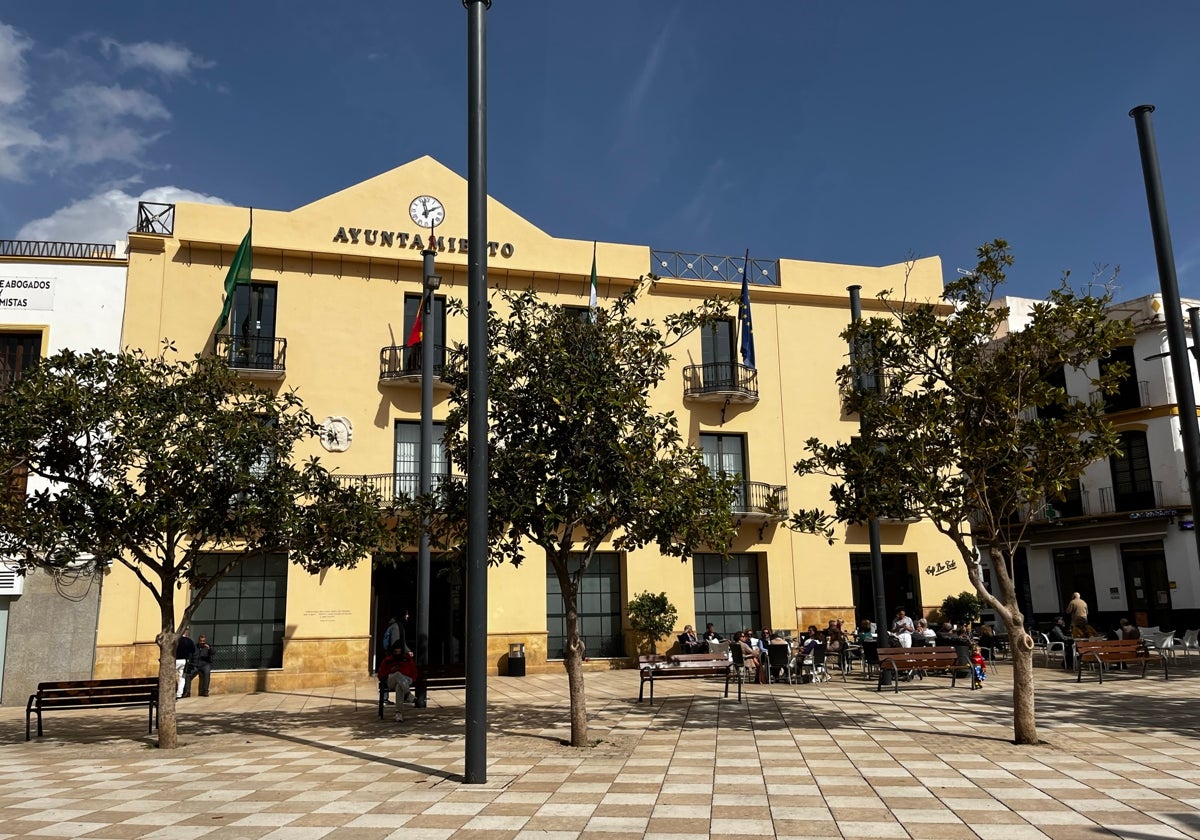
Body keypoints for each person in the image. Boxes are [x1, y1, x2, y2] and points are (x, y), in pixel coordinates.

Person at [377, 642, 419, 722]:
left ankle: (399, 713)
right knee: (397, 674)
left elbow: (414, 671)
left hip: (406, 680)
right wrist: (390, 670)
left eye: (399, 652)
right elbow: (381, 675)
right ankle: (408, 694)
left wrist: (412, 679)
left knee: (399, 687)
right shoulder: (387, 660)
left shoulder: (407, 659)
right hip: (391, 680)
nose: (397, 654)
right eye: (395, 652)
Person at [174, 630, 197, 700]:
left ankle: (171, 692)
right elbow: (193, 650)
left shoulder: (175, 640)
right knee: (182, 677)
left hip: (174, 660)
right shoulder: (189, 641)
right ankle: (179, 694)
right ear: (186, 634)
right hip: (184, 661)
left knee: (171, 676)